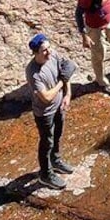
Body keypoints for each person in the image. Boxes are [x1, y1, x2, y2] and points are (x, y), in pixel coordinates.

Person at [25, 33, 77, 190]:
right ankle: (45, 174)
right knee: (46, 141)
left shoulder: (53, 55)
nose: (49, 52)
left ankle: (55, 160)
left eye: (48, 48)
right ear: (36, 53)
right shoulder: (33, 73)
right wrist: (61, 84)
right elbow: (46, 97)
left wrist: (68, 94)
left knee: (58, 135)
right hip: (45, 113)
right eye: (44, 51)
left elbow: (65, 71)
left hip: (59, 106)